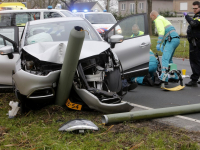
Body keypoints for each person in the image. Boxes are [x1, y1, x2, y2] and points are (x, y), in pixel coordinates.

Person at [150, 10, 180, 83]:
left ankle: (164, 78)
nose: (152, 20)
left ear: (154, 16)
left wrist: (158, 43)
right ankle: (174, 76)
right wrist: (163, 44)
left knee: (164, 59)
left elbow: (161, 32)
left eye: (151, 18)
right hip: (175, 39)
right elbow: (169, 31)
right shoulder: (163, 18)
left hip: (171, 40)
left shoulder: (158, 20)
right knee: (169, 60)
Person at [183, 1, 200, 87]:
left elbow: (194, 24)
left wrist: (186, 16)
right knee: (198, 60)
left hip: (196, 42)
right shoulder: (196, 16)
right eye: (193, 8)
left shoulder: (199, 16)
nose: (194, 10)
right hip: (195, 41)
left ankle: (194, 80)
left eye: (196, 8)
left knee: (194, 61)